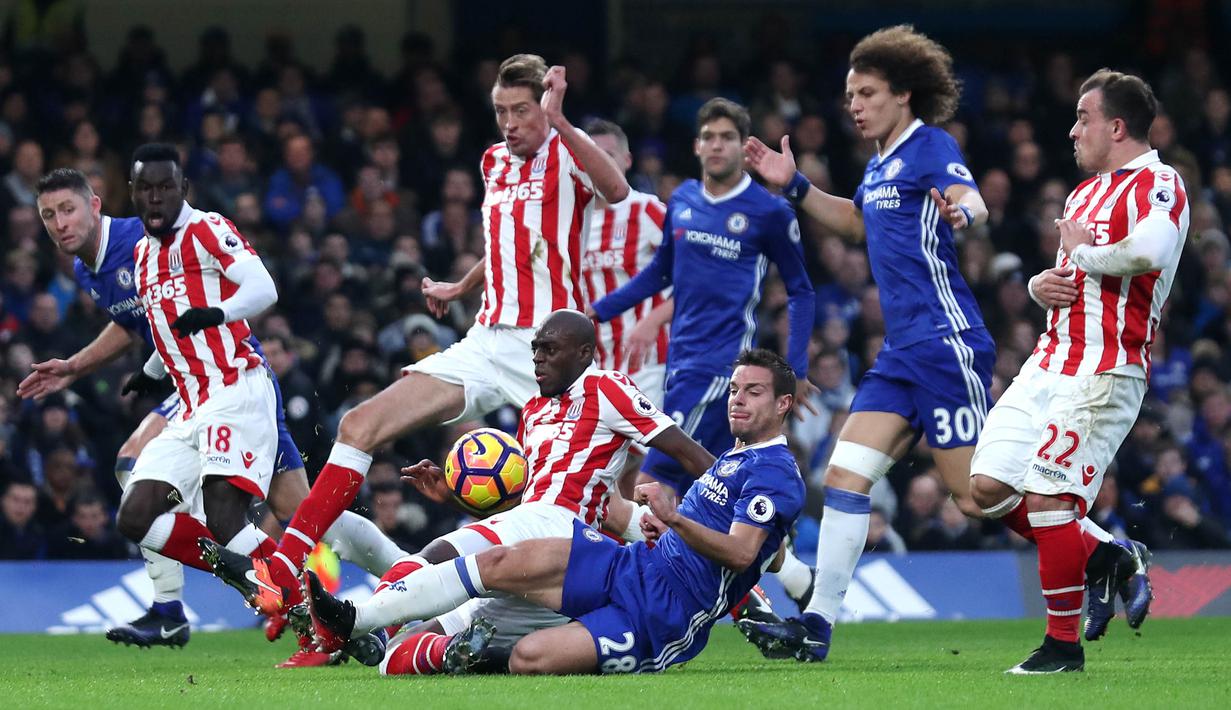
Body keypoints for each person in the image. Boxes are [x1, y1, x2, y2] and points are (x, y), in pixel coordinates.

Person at [230, 54, 631, 615]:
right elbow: (509, 244)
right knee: (359, 424)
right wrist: (461, 286)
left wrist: (561, 119)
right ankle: (288, 564)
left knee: (605, 506)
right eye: (501, 111)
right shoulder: (493, 162)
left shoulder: (566, 153)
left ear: (544, 107)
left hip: (550, 355)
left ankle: (727, 589)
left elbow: (617, 189)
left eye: (522, 110)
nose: (510, 123)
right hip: (486, 340)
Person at [20, 166, 405, 666]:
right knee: (302, 513)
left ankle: (178, 605)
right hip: (191, 385)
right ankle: (371, 584)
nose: (60, 223)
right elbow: (133, 322)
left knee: (135, 465)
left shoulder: (141, 237)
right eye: (48, 215)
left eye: (68, 209)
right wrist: (77, 366)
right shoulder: (86, 269)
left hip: (227, 379)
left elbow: (222, 286)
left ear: (95, 205)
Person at [202, 309, 715, 673]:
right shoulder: (534, 411)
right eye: (535, 349)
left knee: (437, 555)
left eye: (550, 350)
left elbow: (687, 452)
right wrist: (455, 496)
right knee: (396, 659)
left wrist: (728, 490)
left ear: (584, 353)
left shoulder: (606, 387)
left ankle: (351, 622)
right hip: (539, 552)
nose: (537, 359)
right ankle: (441, 650)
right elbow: (523, 501)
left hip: (564, 531)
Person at [303, 348, 805, 676]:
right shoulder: (736, 458)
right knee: (496, 561)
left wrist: (676, 520)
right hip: (630, 565)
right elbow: (735, 541)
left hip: (664, 616)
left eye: (753, 392)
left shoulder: (776, 473)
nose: (737, 401)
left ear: (784, 404)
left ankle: (456, 652)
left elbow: (743, 554)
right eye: (734, 390)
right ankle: (355, 618)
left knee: (529, 658)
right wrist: (657, 524)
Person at [739, 25, 997, 661]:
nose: (854, 105)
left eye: (868, 93)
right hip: (901, 353)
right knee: (844, 477)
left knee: (973, 498)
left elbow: (970, 197)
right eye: (851, 95)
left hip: (946, 343)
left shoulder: (929, 144)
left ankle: (1102, 547)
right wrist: (795, 186)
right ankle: (817, 625)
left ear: (903, 94)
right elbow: (856, 223)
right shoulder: (881, 163)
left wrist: (964, 212)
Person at [969, 69, 1182, 673]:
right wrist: (1040, 285)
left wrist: (1083, 250)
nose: (1072, 130)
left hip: (1106, 368)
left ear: (1116, 126)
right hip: (1049, 360)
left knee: (1048, 497)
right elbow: (1072, 282)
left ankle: (1062, 648)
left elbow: (1151, 251)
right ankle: (1109, 557)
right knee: (986, 488)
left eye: (1083, 118)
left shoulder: (1160, 183)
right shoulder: (1082, 195)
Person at [589, 98, 818, 609]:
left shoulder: (768, 212)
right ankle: (788, 577)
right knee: (714, 490)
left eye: (727, 137)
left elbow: (802, 290)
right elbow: (661, 273)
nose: (717, 145)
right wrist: (597, 313)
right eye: (709, 137)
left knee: (646, 488)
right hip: (681, 364)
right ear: (696, 145)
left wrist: (796, 371)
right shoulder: (684, 200)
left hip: (722, 369)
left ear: (743, 147)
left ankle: (646, 601)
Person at [577, 118, 672, 491]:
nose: (599, 163)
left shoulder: (646, 210)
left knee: (641, 463)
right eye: (591, 155)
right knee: (605, 474)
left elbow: (697, 274)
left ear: (627, 160)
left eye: (609, 155)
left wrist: (654, 320)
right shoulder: (573, 219)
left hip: (649, 362)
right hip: (595, 368)